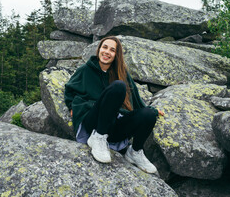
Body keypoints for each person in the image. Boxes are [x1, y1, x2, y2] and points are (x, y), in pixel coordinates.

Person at [64, 36, 164, 174]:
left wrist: (151, 110)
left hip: (114, 127)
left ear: (116, 55)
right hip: (93, 122)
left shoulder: (121, 73)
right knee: (118, 87)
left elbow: (136, 100)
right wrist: (71, 106)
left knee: (149, 114)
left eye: (112, 50)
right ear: (99, 49)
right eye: (104, 47)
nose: (107, 52)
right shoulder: (85, 69)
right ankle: (98, 138)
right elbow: (70, 89)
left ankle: (135, 152)